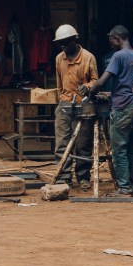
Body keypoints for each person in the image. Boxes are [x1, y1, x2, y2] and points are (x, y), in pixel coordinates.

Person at [81, 25, 133, 195]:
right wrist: (111, 93)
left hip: (122, 108)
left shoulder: (118, 56)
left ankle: (124, 187)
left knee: (119, 150)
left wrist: (91, 92)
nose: (110, 44)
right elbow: (130, 84)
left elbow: (102, 81)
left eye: (111, 40)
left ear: (117, 38)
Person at [53, 24, 99, 189]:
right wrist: (61, 99)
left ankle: (83, 177)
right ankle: (64, 176)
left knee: (83, 144)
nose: (63, 46)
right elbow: (59, 83)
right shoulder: (59, 59)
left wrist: (88, 86)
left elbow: (96, 80)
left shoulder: (88, 57)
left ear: (75, 40)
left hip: (83, 105)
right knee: (62, 143)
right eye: (61, 43)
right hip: (65, 104)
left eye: (66, 42)